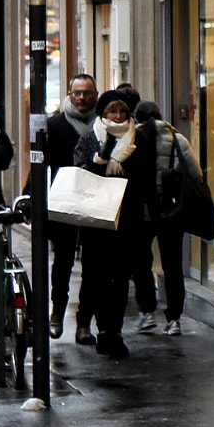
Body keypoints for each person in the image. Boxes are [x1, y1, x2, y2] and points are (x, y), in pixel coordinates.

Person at [73, 89, 156, 358]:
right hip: (96, 220)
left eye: (122, 111)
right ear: (102, 113)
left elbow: (146, 178)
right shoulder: (91, 137)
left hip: (126, 219)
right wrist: (102, 157)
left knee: (120, 278)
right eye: (112, 111)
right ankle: (101, 328)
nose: (118, 116)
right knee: (97, 277)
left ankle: (114, 331)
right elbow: (80, 173)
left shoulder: (139, 139)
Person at [32, 73, 98, 340]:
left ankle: (84, 323)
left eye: (87, 93)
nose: (82, 98)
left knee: (93, 266)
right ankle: (57, 313)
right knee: (62, 263)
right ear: (69, 95)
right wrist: (31, 199)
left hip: (95, 201)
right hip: (63, 201)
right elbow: (40, 165)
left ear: (95, 95)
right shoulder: (54, 124)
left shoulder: (103, 124)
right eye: (77, 93)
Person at [139, 99, 201, 335]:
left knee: (141, 262)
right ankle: (173, 319)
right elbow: (195, 173)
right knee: (173, 265)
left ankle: (147, 313)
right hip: (171, 210)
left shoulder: (134, 139)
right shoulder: (177, 138)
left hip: (143, 210)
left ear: (138, 118)